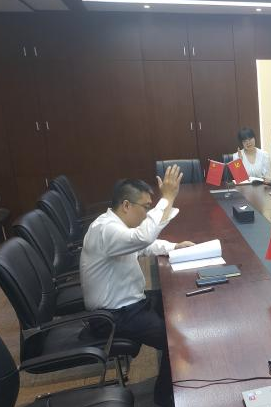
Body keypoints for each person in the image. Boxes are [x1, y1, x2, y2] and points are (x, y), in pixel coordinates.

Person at [80, 165, 194, 407]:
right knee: (173, 341)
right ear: (126, 205)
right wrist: (167, 198)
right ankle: (165, 398)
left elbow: (144, 246)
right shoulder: (105, 230)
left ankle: (176, 384)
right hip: (113, 316)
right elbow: (142, 237)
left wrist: (173, 247)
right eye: (146, 207)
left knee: (176, 303)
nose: (147, 214)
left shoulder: (117, 227)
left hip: (130, 305)